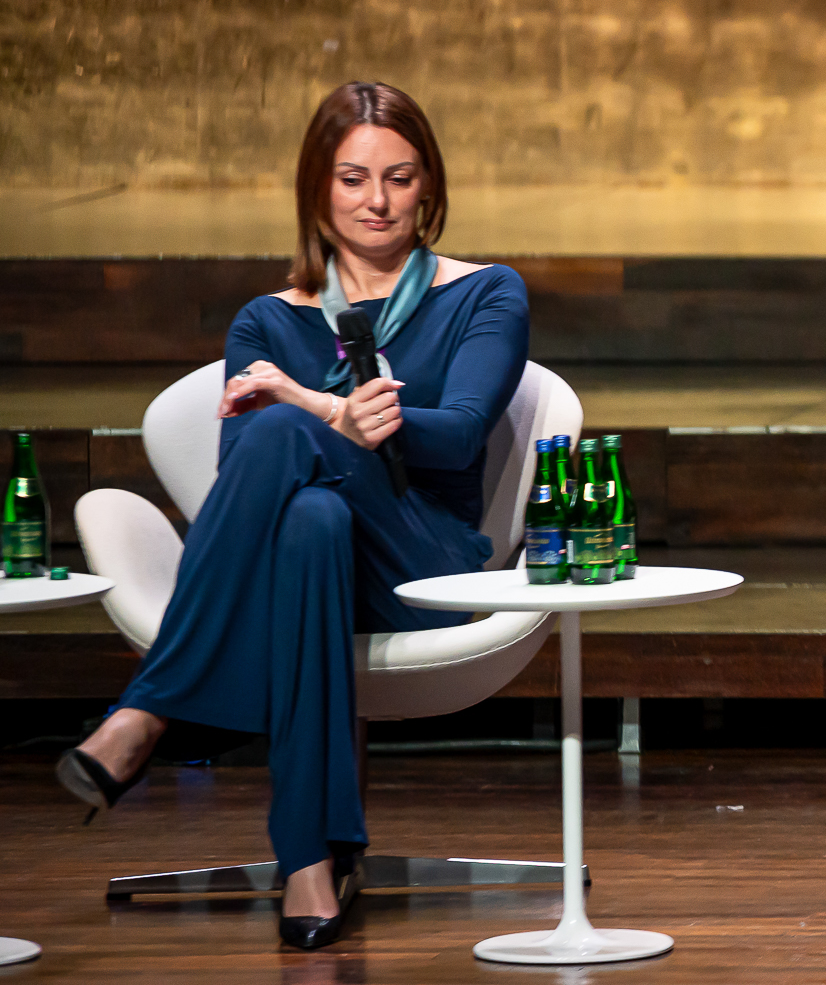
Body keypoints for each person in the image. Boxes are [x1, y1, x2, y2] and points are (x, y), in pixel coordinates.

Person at [55, 82, 529, 950]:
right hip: (312, 560)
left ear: (428, 185)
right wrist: (329, 419)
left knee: (285, 431)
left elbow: (459, 435)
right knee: (310, 521)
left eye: (399, 177)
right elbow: (247, 474)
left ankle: (150, 706)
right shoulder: (266, 321)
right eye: (353, 179)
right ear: (318, 188)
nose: (377, 200)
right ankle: (310, 861)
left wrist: (315, 403)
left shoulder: (486, 293)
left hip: (424, 562)